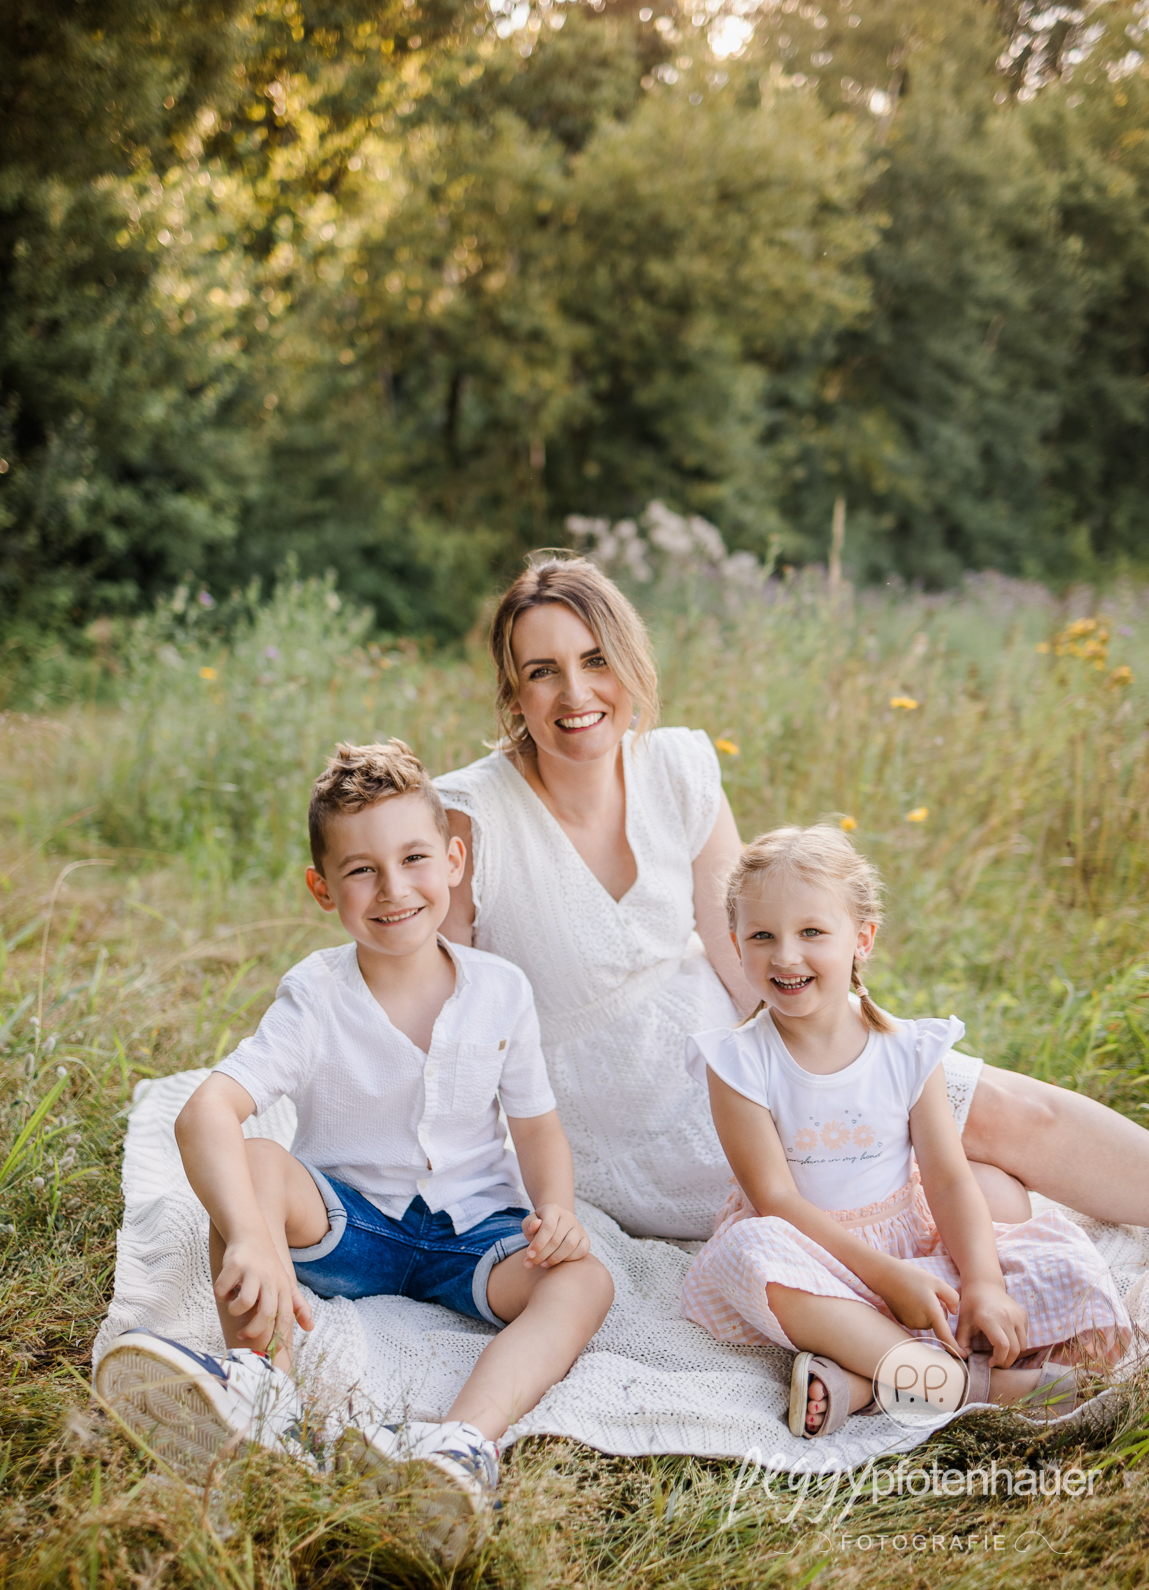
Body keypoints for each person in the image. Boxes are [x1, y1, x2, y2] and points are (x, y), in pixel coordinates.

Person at [437, 554, 1149, 1238]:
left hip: (749, 1051)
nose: (575, 693)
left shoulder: (677, 766)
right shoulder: (472, 817)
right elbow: (442, 1022)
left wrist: (846, 1066)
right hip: (622, 1124)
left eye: (596, 660)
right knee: (984, 1188)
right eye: (542, 671)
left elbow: (744, 956)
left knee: (1002, 1119)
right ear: (513, 693)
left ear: (630, 662)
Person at [96, 740, 613, 1561]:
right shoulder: (316, 994)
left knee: (584, 1281)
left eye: (413, 859)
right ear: (323, 890)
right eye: (362, 871)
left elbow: (536, 1127)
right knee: (253, 1168)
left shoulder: (501, 990)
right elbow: (204, 1112)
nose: (394, 889)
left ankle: (457, 1446)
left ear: (453, 860)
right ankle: (262, 1393)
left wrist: (554, 1209)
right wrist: (254, 1238)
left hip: (475, 1237)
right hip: (349, 1229)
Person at [681, 825, 1130, 1438]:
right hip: (810, 1251)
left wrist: (983, 1283)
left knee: (1043, 1247)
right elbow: (776, 1199)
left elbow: (946, 1179)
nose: (785, 956)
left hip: (906, 1239)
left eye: (812, 932)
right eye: (762, 936)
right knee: (748, 1252)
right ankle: (970, 1386)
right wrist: (886, 1278)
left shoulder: (908, 1049)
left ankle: (864, 1381)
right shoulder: (736, 1062)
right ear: (736, 944)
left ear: (861, 939)